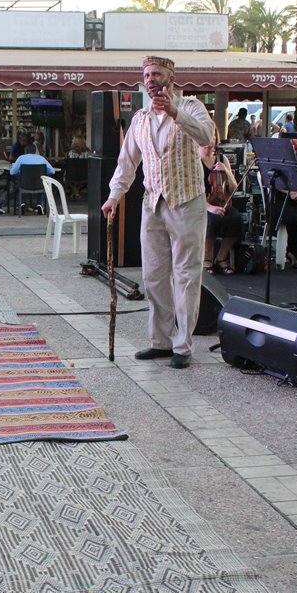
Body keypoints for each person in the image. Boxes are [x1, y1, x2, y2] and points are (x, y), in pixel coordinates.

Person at [102, 55, 215, 369]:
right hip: (153, 204)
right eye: (147, 75)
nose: (151, 80)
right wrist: (114, 196)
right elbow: (127, 162)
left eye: (157, 74)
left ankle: (183, 346)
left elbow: (206, 136)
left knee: (186, 276)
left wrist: (175, 112)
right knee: (153, 276)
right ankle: (160, 342)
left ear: (171, 78)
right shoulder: (139, 118)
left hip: (187, 202)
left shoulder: (191, 107)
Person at [201, 131, 241, 275]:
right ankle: (206, 259)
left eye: (212, 138)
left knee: (236, 219)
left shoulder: (222, 159)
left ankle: (221, 257)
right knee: (212, 220)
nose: (209, 142)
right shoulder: (194, 159)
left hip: (222, 201)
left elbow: (234, 188)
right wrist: (210, 207)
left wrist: (227, 171)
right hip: (202, 203)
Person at [9, 144, 55, 214]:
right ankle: (40, 203)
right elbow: (52, 171)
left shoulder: (21, 158)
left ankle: (21, 203)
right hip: (39, 185)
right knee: (45, 184)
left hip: (24, 185)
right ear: (35, 151)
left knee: (16, 185)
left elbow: (12, 172)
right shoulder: (41, 158)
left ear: (25, 151)